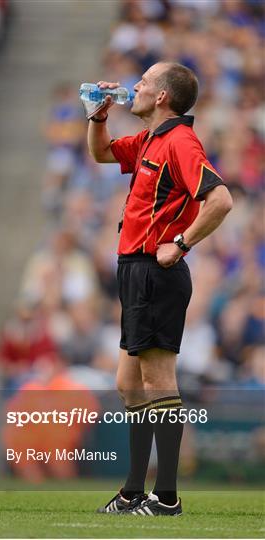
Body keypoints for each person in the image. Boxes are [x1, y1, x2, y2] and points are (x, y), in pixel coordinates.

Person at [87, 62, 233, 516]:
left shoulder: (181, 141)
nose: (136, 87)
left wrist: (183, 243)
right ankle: (133, 491)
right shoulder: (152, 138)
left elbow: (221, 199)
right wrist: (98, 115)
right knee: (128, 384)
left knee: (156, 381)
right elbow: (103, 154)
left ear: (164, 96)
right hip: (134, 268)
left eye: (145, 82)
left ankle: (166, 496)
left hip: (156, 270)